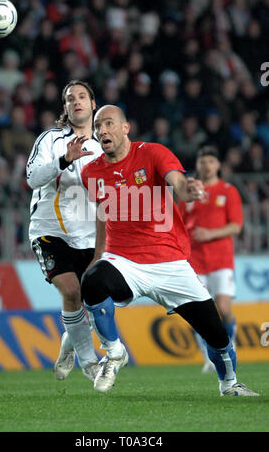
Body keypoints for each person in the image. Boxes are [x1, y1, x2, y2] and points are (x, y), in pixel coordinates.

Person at [80, 104, 259, 397]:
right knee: (93, 281)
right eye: (98, 126)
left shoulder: (152, 153)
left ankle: (229, 384)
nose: (102, 131)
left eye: (109, 124)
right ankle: (114, 353)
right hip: (124, 261)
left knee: (217, 335)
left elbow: (178, 183)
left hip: (170, 262)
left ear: (125, 128)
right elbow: (102, 213)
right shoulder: (91, 172)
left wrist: (188, 189)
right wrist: (98, 257)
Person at [26, 80, 102, 382]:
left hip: (90, 235)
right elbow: (32, 178)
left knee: (96, 301)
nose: (77, 102)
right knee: (71, 290)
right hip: (49, 230)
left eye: (82, 97)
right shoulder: (51, 140)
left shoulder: (103, 146)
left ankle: (71, 341)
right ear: (66, 107)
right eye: (70, 98)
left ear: (93, 104)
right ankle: (89, 363)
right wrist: (64, 160)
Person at [178, 146, 243, 373]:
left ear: (218, 165)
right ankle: (209, 356)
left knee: (223, 309)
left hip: (221, 259)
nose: (206, 166)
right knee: (200, 311)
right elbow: (180, 224)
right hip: (195, 259)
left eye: (210, 162)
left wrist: (209, 233)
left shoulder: (228, 191)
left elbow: (236, 225)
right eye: (202, 161)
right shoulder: (190, 192)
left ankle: (229, 344)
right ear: (198, 165)